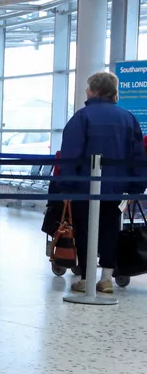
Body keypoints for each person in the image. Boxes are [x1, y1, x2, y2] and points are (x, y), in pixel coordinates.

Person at [58, 71, 147, 293]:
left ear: (95, 90)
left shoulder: (82, 117)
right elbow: (137, 155)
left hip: (84, 187)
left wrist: (65, 184)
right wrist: (135, 185)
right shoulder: (128, 118)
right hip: (115, 188)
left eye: (88, 87)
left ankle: (87, 278)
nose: (86, 91)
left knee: (85, 231)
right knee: (110, 229)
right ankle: (106, 278)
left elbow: (71, 153)